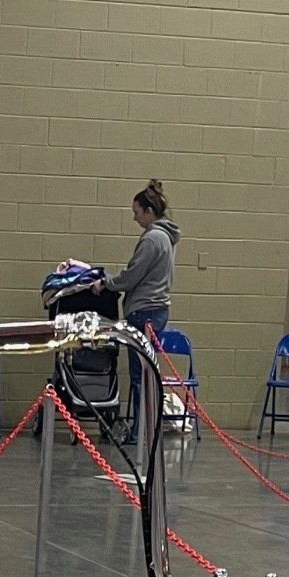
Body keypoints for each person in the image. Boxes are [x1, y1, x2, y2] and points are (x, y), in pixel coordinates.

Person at [112, 178, 180, 434]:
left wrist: (106, 283)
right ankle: (144, 428)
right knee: (147, 373)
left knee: (140, 377)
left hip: (144, 312)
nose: (134, 218)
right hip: (157, 309)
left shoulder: (152, 239)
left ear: (149, 211)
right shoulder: (167, 238)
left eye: (136, 213)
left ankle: (141, 432)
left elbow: (132, 275)